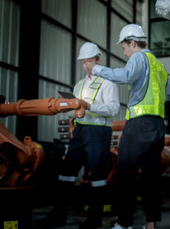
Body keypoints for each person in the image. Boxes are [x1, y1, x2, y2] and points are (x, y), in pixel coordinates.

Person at [85, 24, 170, 229]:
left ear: (133, 43)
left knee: (126, 173)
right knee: (151, 177)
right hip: (158, 126)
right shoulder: (159, 65)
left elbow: (125, 76)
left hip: (138, 126)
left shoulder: (138, 57)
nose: (125, 53)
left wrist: (96, 69)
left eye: (124, 48)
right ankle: (150, 225)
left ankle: (124, 225)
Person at [36, 42, 120, 229]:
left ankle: (94, 219)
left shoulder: (108, 83)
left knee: (97, 176)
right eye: (84, 62)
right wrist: (68, 106)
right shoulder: (80, 85)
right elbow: (75, 110)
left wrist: (89, 106)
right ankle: (59, 215)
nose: (86, 65)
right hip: (80, 132)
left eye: (90, 61)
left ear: (98, 60)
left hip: (99, 133)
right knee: (66, 172)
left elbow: (113, 108)